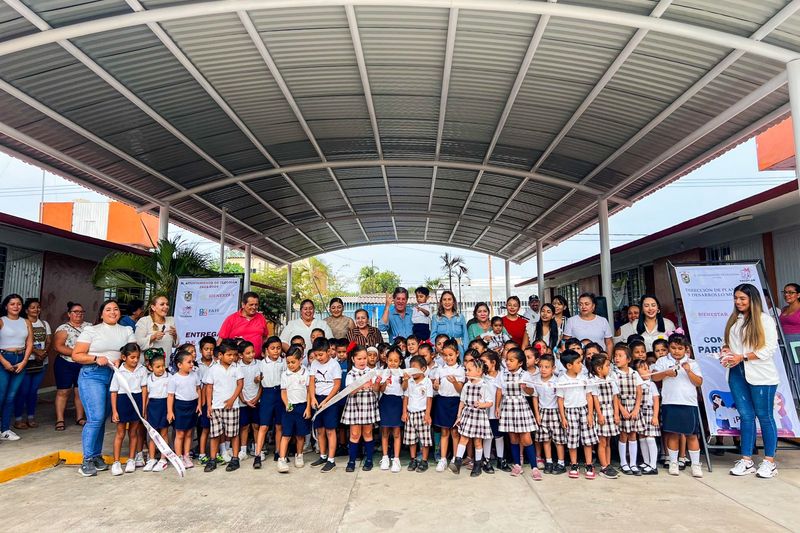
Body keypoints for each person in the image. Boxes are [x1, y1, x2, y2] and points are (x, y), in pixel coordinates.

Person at [721, 283, 780, 479]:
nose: (738, 302)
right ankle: (746, 460)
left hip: (761, 375)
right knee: (746, 416)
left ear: (752, 300)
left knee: (765, 416)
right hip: (736, 373)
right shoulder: (735, 320)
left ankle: (769, 462)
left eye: (742, 299)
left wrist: (743, 357)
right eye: (736, 298)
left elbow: (769, 349)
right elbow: (730, 344)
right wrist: (726, 351)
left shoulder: (765, 320)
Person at [72, 299, 136, 477]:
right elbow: (76, 355)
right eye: (108, 309)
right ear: (101, 314)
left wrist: (121, 359)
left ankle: (96, 456)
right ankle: (86, 460)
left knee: (103, 417)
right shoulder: (91, 330)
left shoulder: (127, 330)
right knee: (96, 416)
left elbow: (133, 351)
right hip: (93, 374)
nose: (113, 312)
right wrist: (95, 359)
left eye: (116, 309)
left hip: (115, 375)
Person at [651, 332, 703, 478]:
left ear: (685, 349)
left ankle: (695, 464)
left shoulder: (692, 363)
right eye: (673, 348)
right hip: (670, 401)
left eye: (680, 348)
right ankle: (673, 462)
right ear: (669, 348)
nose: (676, 351)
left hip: (689, 403)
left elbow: (699, 382)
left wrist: (688, 370)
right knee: (672, 434)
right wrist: (666, 373)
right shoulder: (662, 361)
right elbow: (654, 377)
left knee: (692, 435)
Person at [497, 348, 541, 480]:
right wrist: (497, 406)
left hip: (521, 405)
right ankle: (517, 465)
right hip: (508, 405)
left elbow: (531, 391)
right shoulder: (502, 374)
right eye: (507, 360)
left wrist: (525, 387)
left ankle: (534, 467)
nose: (508, 363)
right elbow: (499, 390)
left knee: (526, 437)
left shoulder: (525, 375)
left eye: (511, 360)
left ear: (520, 363)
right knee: (513, 437)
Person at [556, 349, 598, 480]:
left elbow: (589, 396)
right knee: (572, 439)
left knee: (587, 439)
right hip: (570, 411)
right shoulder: (562, 379)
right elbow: (560, 399)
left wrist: (590, 414)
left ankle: (589, 464)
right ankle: (574, 464)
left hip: (584, 410)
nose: (581, 365)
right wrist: (563, 417)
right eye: (578, 363)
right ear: (569, 365)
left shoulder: (584, 378)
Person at [203, 340, 244, 473]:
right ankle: (213, 459)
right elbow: (209, 387)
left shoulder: (236, 368)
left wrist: (232, 399)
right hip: (216, 406)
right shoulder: (213, 369)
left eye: (234, 355)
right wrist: (209, 405)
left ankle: (235, 458)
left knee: (233, 434)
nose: (232, 357)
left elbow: (240, 384)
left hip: (232, 407)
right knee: (215, 434)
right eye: (229, 355)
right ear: (220, 355)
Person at [451, 358, 493, 477]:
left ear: (479, 371)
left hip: (479, 415)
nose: (467, 372)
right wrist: (459, 416)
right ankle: (457, 461)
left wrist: (482, 404)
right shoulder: (466, 385)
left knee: (478, 441)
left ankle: (477, 465)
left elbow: (490, 402)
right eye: (466, 370)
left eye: (469, 370)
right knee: (463, 438)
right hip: (468, 414)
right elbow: (462, 401)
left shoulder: (484, 386)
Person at [109, 343, 146, 476]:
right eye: (132, 357)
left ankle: (131, 459)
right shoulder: (118, 372)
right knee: (120, 433)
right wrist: (114, 411)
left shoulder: (142, 369)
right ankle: (116, 462)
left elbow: (144, 390)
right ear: (124, 357)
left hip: (136, 401)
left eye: (137, 357)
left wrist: (143, 408)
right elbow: (113, 392)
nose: (135, 360)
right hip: (123, 401)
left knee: (133, 432)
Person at [341, 345, 380, 472]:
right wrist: (363, 385)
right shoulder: (351, 373)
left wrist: (377, 382)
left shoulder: (371, 372)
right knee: (354, 434)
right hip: (355, 405)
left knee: (368, 433)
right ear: (353, 359)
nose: (363, 361)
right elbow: (350, 392)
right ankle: (351, 461)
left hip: (368, 404)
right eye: (359, 358)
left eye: (364, 358)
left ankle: (368, 460)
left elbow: (375, 389)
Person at [14, 298, 51, 430]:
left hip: (41, 363)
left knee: (33, 391)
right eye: (33, 307)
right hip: (26, 362)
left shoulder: (44, 324)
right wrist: (36, 352)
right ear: (26, 310)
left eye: (38, 307)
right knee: (23, 391)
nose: (36, 309)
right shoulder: (22, 323)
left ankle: (31, 417)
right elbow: (23, 342)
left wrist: (44, 352)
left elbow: (48, 341)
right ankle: (18, 419)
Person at [0, 294, 33, 441]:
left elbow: (30, 343)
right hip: (3, 358)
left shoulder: (26, 322)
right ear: (6, 306)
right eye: (12, 304)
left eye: (18, 304)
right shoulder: (1, 321)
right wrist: (4, 362)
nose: (15, 306)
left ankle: (5, 429)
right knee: (1, 395)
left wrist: (24, 361)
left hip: (21, 360)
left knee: (11, 396)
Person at [53, 302, 90, 431]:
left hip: (83, 364)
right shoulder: (63, 328)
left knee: (79, 391)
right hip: (65, 363)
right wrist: (78, 353)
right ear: (69, 314)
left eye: (81, 311)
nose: (79, 314)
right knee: (63, 391)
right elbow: (58, 346)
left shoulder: (89, 327)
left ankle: (79, 418)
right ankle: (60, 419)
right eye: (75, 311)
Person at [432, 338, 465, 473]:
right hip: (442, 401)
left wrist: (455, 382)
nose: (448, 358)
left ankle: (455, 459)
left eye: (450, 355)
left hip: (455, 402)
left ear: (457, 354)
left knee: (455, 432)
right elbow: (436, 386)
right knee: (444, 431)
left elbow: (460, 390)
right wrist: (436, 385)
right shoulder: (440, 369)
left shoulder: (461, 370)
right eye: (445, 355)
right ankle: (443, 458)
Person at [309, 338, 342, 473]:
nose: (318, 358)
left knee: (330, 430)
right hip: (317, 399)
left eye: (321, 355)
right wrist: (312, 398)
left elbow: (337, 385)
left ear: (329, 351)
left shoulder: (334, 365)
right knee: (320, 430)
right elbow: (311, 382)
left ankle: (331, 460)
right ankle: (323, 455)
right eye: (316, 355)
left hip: (331, 400)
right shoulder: (314, 364)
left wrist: (327, 400)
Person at [276, 346, 311, 474]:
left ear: (300, 360)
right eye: (288, 362)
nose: (290, 365)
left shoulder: (306, 373)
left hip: (302, 406)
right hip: (289, 407)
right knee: (286, 434)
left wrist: (308, 407)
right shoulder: (285, 374)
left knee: (300, 435)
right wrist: (287, 404)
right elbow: (283, 392)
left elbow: (308, 391)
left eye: (293, 362)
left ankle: (299, 455)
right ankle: (282, 458)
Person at [254, 336, 286, 469]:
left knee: (279, 425)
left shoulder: (284, 362)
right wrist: (257, 379)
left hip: (280, 393)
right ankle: (257, 454)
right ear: (266, 350)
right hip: (267, 395)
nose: (276, 351)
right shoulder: (260, 364)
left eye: (278, 348)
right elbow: (257, 381)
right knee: (264, 426)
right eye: (272, 348)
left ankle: (278, 452)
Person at [532, 354, 566, 475]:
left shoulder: (557, 381)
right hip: (543, 411)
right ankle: (549, 461)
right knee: (545, 439)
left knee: (558, 440)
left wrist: (562, 416)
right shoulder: (536, 381)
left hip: (555, 411)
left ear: (553, 368)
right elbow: (535, 398)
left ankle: (561, 463)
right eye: (541, 366)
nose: (543, 369)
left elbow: (560, 398)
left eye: (547, 367)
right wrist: (537, 414)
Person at [167, 351, 201, 470]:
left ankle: (187, 455)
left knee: (189, 433)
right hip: (180, 407)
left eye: (192, 362)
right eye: (189, 362)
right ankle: (179, 456)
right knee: (180, 433)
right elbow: (170, 396)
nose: (192, 364)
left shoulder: (194, 375)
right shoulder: (174, 379)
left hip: (192, 406)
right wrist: (170, 411)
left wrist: (199, 405)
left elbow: (198, 390)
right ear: (179, 365)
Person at [613, 345, 643, 475]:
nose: (617, 358)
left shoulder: (634, 373)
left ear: (628, 359)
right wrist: (622, 410)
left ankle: (633, 463)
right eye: (615, 355)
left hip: (633, 407)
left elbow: (639, 392)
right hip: (622, 406)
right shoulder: (614, 374)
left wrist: (636, 408)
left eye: (620, 356)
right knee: (623, 435)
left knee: (633, 434)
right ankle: (623, 462)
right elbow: (615, 395)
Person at [589, 354, 620, 479]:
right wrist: (600, 415)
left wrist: (616, 413)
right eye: (607, 366)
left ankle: (608, 464)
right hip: (602, 412)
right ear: (598, 369)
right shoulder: (594, 382)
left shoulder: (610, 380)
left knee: (608, 441)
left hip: (610, 412)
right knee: (602, 441)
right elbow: (595, 399)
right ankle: (603, 466)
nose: (609, 368)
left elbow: (615, 397)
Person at [402, 355, 433, 472]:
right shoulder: (409, 381)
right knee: (411, 439)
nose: (412, 372)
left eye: (415, 369)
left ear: (423, 369)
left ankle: (424, 461)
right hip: (410, 413)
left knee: (424, 439)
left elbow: (429, 398)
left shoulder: (427, 381)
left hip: (422, 413)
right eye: (411, 369)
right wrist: (404, 412)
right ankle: (413, 459)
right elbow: (405, 396)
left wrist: (428, 414)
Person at [142, 349, 170, 472]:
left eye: (163, 366)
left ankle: (163, 459)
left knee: (163, 433)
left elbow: (171, 396)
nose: (161, 369)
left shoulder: (170, 377)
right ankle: (152, 458)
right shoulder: (149, 379)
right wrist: (145, 411)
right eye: (158, 367)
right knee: (153, 434)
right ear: (151, 367)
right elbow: (147, 396)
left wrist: (170, 411)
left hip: (164, 406)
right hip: (153, 407)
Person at [378, 348, 404, 473]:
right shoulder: (384, 372)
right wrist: (385, 382)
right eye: (390, 360)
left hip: (397, 402)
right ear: (386, 360)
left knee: (397, 432)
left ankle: (396, 459)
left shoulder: (402, 373)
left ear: (400, 361)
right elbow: (381, 390)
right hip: (385, 402)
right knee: (385, 431)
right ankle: (385, 457)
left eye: (395, 361)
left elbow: (404, 389)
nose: (392, 363)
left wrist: (405, 379)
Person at [633, 359, 660, 475]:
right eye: (643, 369)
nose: (647, 371)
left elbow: (656, 400)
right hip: (640, 411)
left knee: (650, 437)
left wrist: (655, 416)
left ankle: (653, 465)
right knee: (642, 437)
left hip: (649, 411)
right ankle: (646, 461)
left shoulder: (651, 384)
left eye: (647, 368)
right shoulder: (636, 384)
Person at [236, 340, 261, 462]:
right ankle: (243, 450)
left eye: (253, 352)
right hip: (243, 402)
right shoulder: (237, 366)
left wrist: (256, 399)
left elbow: (261, 384)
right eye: (248, 353)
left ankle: (258, 450)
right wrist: (244, 400)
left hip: (256, 400)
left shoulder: (259, 364)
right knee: (244, 426)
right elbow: (238, 385)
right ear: (241, 355)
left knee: (256, 426)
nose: (251, 355)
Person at [430, 290, 470, 355]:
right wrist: (436, 349)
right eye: (444, 299)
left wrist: (466, 351)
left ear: (453, 302)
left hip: (458, 349)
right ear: (441, 302)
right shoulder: (436, 318)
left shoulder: (460, 317)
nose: (447, 302)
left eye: (449, 299)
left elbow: (465, 335)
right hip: (442, 351)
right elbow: (433, 336)